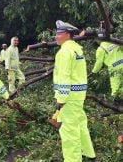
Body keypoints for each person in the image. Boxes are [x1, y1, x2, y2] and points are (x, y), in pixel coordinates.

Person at [53, 20, 96, 161]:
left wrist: (61, 100)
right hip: (78, 95)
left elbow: (64, 77)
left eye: (58, 34)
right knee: (80, 124)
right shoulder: (77, 49)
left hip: (69, 98)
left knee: (69, 132)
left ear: (66, 35)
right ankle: (88, 153)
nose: (55, 36)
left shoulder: (64, 52)